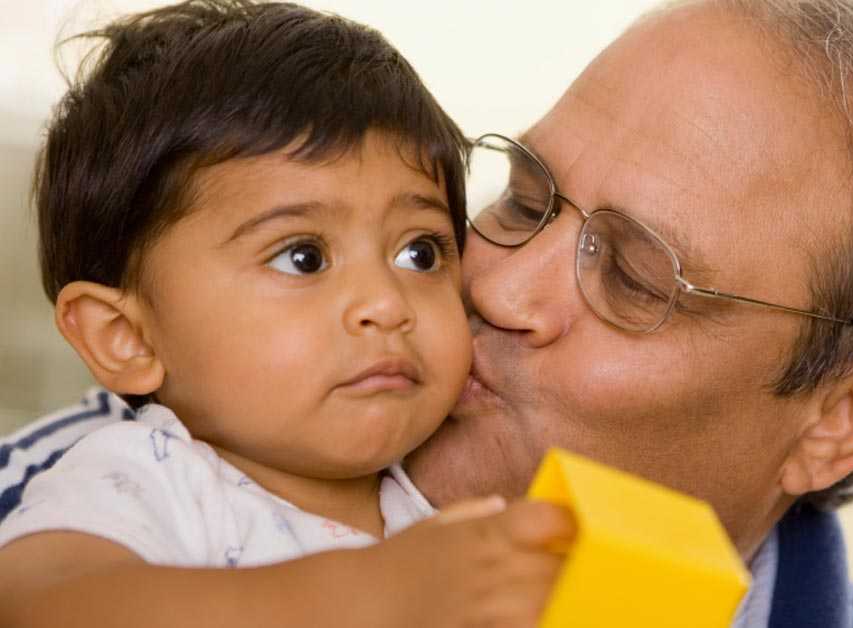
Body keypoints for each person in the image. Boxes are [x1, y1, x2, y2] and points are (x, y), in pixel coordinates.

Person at [3, 0, 853, 626]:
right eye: (523, 200)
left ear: (843, 419)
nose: (493, 286)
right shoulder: (125, 473)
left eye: (635, 279)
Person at [0, 2, 573, 627]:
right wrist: (368, 594)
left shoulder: (448, 512)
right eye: (303, 258)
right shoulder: (145, 477)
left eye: (420, 253)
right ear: (128, 338)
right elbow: (38, 605)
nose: (386, 304)